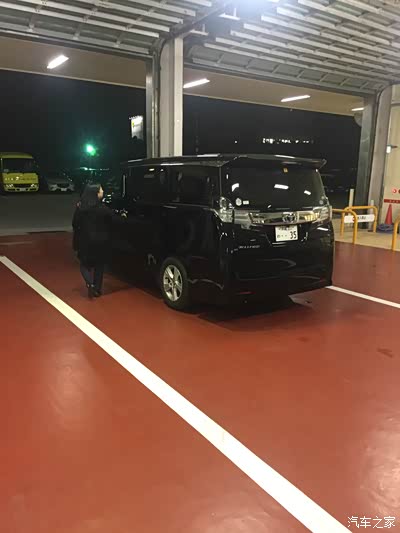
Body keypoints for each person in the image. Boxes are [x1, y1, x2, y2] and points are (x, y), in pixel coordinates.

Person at [72, 183, 112, 298]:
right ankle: (97, 289)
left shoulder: (81, 208)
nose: (103, 191)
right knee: (99, 266)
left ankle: (89, 282)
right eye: (101, 190)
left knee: (84, 265)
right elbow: (112, 220)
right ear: (96, 193)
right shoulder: (103, 209)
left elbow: (75, 223)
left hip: (85, 241)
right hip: (101, 241)